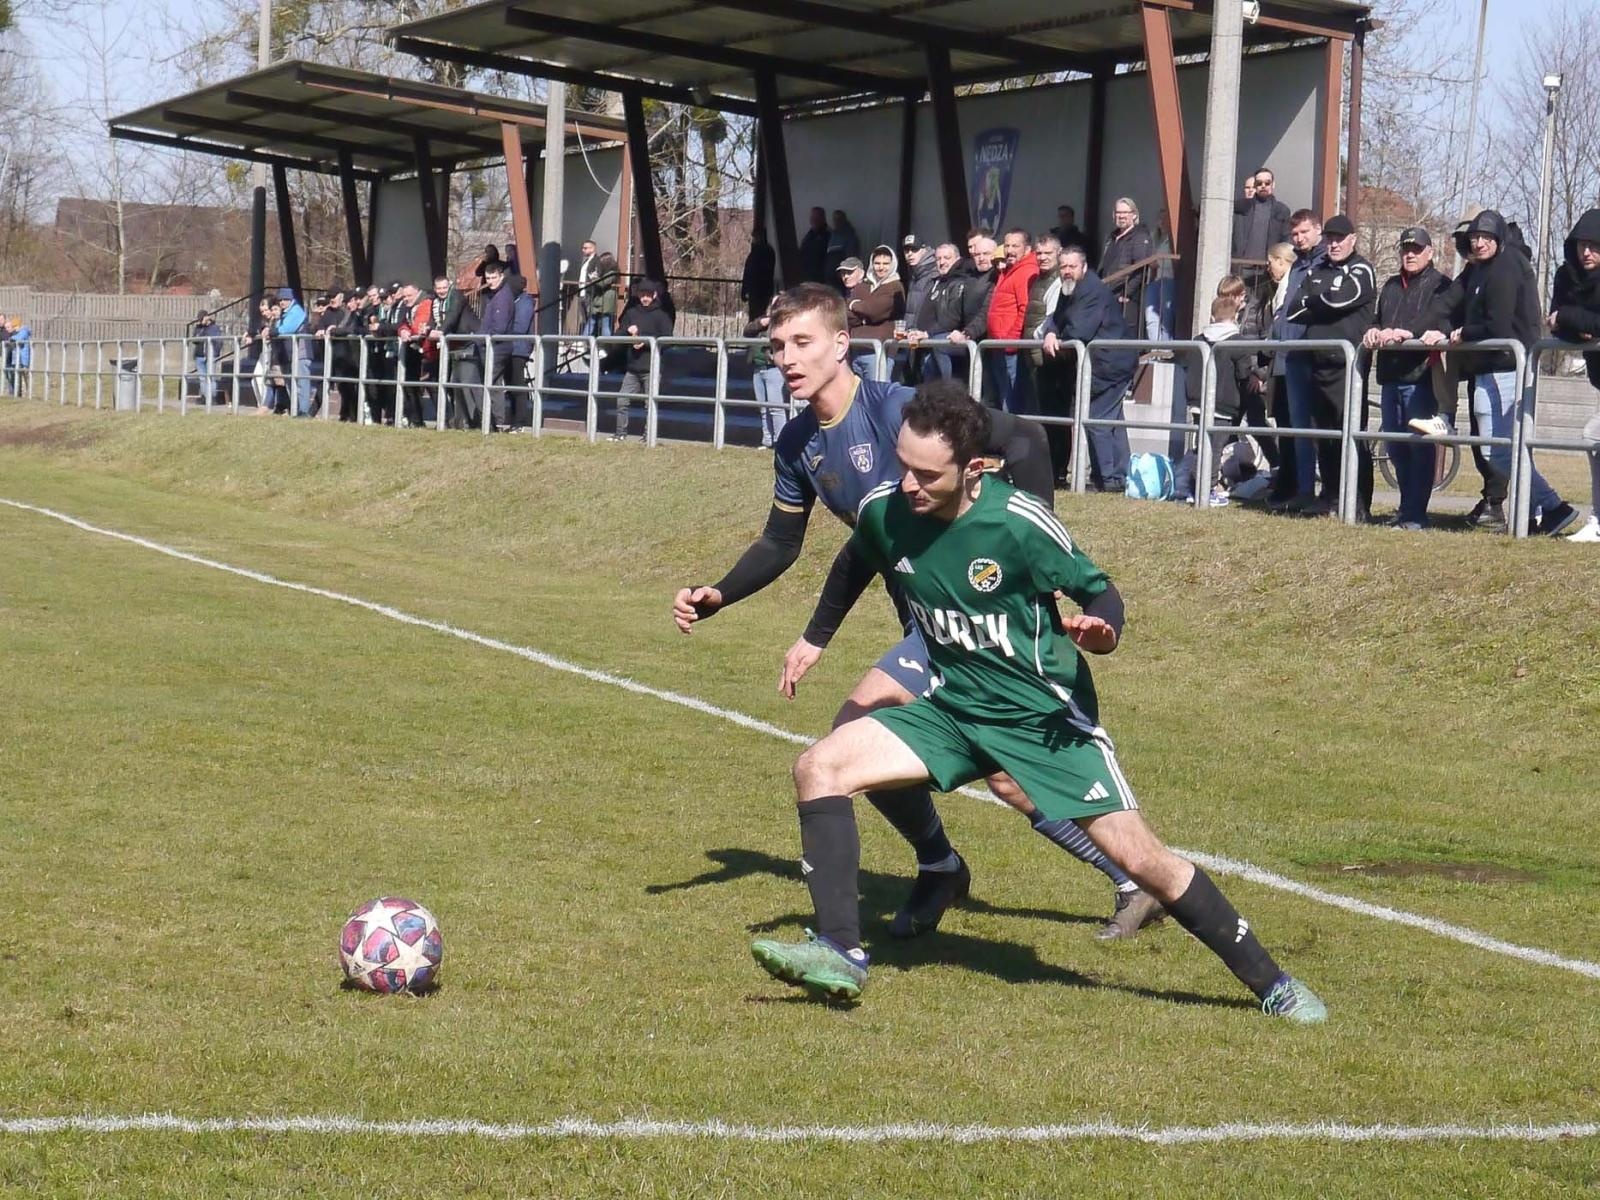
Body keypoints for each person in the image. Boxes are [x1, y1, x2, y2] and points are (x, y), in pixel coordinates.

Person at [748, 382, 1327, 1023]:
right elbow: (857, 558)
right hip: (952, 709)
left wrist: (1102, 632)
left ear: (975, 468)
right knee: (819, 767)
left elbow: (1100, 593)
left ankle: (1273, 984)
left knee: (1143, 860)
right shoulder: (888, 509)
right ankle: (840, 952)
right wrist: (815, 637)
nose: (908, 484)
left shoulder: (1018, 522)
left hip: (1042, 722)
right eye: (904, 465)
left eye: (927, 474)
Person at [673, 285, 1163, 944]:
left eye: (802, 342)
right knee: (885, 746)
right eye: (777, 345)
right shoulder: (797, 442)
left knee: (984, 769)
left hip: (983, 621)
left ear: (841, 344)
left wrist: (1024, 553)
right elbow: (785, 543)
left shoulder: (898, 410)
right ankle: (949, 866)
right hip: (928, 626)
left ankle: (1118, 876)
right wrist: (719, 595)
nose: (786, 358)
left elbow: (1024, 439)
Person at [1425, 209, 1578, 535]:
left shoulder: (1507, 266)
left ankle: (1552, 506)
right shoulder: (1479, 268)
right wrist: (1424, 329)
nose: (1478, 243)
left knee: (1499, 450)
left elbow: (1499, 324)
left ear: (1498, 238)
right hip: (1490, 367)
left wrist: (1464, 332)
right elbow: (1448, 303)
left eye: (1485, 237)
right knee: (1502, 448)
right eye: (1474, 238)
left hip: (1508, 367)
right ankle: (1536, 513)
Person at [1363, 227, 1452, 530]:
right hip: (1390, 375)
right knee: (1395, 446)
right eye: (1405, 249)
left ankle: (1416, 515)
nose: (1410, 254)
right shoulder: (1390, 285)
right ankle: (1406, 508)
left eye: (1416, 249)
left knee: (1419, 446)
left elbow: (1444, 321)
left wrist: (1411, 334)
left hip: (1422, 377)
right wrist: (1374, 330)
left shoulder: (1441, 285)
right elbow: (1378, 320)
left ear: (1430, 252)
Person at [1291, 213, 1378, 520]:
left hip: (1348, 367)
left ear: (1353, 239)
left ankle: (1359, 503)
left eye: (1340, 239)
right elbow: (1293, 310)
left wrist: (1316, 303)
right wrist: (1319, 302)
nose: (1334, 244)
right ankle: (1329, 496)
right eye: (1330, 239)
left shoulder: (1361, 269)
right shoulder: (1317, 270)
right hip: (1317, 364)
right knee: (1323, 436)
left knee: (1351, 434)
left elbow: (1344, 299)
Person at [1042, 246, 1138, 493]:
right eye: (1063, 266)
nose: (1067, 271)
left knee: (1097, 419)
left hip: (1111, 365)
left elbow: (1079, 331)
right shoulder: (1068, 289)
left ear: (1084, 267)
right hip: (1100, 365)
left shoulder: (1093, 291)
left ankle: (1108, 479)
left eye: (1072, 266)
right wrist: (1051, 332)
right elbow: (1055, 318)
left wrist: (1058, 336)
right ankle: (1117, 476)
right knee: (1111, 420)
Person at [1548, 208, 1600, 542]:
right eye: (1582, 245)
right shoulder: (1567, 275)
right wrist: (1573, 322)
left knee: (1594, 435)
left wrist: (1569, 316)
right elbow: (1555, 326)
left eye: (1594, 246)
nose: (1587, 252)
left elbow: (1571, 319)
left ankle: (1598, 520)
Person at [1268, 211, 1327, 511]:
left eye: (1304, 232)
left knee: (1319, 429)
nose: (1299, 238)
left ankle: (1327, 492)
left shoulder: (1325, 262)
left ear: (1318, 230)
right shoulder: (1298, 266)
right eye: (1295, 234)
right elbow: (1288, 307)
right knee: (1298, 428)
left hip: (1314, 355)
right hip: (1290, 355)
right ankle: (1303, 490)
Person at [984, 227, 1039, 413]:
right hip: (999, 345)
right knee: (1003, 399)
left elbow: (1024, 308)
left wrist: (1011, 341)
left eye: (1015, 246)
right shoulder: (1009, 271)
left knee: (1012, 402)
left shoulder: (1025, 271)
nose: (1009, 250)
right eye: (1007, 245)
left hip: (1010, 348)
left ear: (1027, 249)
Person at [613, 278, 672, 440]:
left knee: (650, 403)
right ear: (638, 295)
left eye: (648, 295)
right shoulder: (632, 313)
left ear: (654, 295)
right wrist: (628, 332)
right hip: (633, 367)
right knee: (622, 400)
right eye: (642, 295)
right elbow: (618, 334)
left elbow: (668, 340)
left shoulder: (661, 316)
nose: (645, 298)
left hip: (651, 367)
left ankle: (648, 436)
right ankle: (620, 433)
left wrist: (645, 343)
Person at [842, 247, 904, 379]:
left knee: (877, 390)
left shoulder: (895, 287)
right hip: (855, 349)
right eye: (877, 263)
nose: (881, 267)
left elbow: (874, 311)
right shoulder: (863, 285)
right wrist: (861, 312)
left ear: (893, 264)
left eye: (886, 264)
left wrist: (854, 305)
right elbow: (846, 314)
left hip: (878, 352)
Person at [1098, 197, 1153, 329]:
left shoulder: (1140, 237)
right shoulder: (1111, 237)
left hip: (1127, 298)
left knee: (1126, 332)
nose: (1121, 216)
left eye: (1125, 212)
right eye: (1118, 212)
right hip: (1108, 293)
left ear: (1134, 215)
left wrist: (1127, 293)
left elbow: (1141, 268)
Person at [1232, 168, 1291, 281]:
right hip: (1241, 267)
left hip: (1268, 269)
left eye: (1267, 183)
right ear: (1255, 185)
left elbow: (1286, 240)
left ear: (1273, 184)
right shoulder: (1240, 207)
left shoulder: (1282, 210)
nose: (1263, 186)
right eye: (1259, 183)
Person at [745, 297, 789, 448]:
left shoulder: (784, 323)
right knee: (763, 408)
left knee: (776, 407)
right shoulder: (763, 320)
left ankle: (781, 441)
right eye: (773, 304)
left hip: (773, 369)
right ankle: (767, 440)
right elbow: (747, 331)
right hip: (758, 367)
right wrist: (761, 323)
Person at [480, 259, 516, 431]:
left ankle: (496, 421)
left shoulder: (502, 297)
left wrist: (482, 338)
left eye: (494, 277)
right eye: (488, 278)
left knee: (491, 382)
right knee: (493, 383)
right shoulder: (495, 295)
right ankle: (495, 421)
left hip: (498, 346)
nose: (491, 281)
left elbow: (499, 328)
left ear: (501, 276)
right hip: (494, 345)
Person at [1145, 209, 1175, 341]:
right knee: (1150, 316)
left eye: (1165, 219)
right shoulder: (1154, 238)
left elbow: (1172, 261)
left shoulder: (1173, 239)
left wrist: (1156, 262)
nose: (1161, 222)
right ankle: (1154, 347)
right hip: (1154, 280)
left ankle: (1165, 346)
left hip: (1169, 279)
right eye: (1160, 219)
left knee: (1166, 316)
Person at [741, 227, 777, 321]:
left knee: (755, 316)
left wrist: (745, 290)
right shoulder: (769, 251)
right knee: (760, 316)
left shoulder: (756, 253)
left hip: (757, 291)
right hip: (764, 290)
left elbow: (749, 272)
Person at [190, 310, 222, 406]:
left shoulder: (214, 328)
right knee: (202, 378)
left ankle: (212, 397)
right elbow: (194, 339)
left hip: (210, 355)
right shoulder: (198, 328)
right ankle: (204, 396)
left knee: (211, 377)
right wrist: (200, 329)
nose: (200, 321)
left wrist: (215, 353)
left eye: (202, 319)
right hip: (199, 355)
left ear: (207, 317)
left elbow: (216, 341)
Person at [824, 209, 862, 285]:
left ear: (844, 220)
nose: (836, 222)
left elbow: (851, 256)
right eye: (834, 219)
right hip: (830, 276)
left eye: (838, 219)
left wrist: (845, 271)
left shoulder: (849, 235)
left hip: (841, 276)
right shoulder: (832, 235)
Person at [799, 207, 830, 284]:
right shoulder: (809, 235)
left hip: (822, 279)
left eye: (816, 218)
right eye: (812, 217)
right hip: (807, 277)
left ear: (823, 219)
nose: (813, 220)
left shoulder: (828, 235)